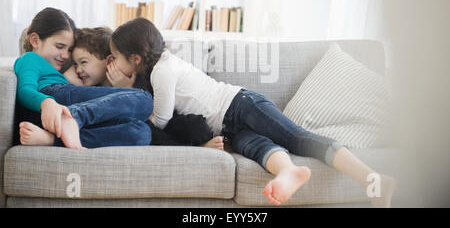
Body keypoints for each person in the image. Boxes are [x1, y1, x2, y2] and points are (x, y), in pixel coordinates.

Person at [109, 17, 397, 207]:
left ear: (134, 58)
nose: (114, 62)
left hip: (241, 105)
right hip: (229, 127)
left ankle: (372, 179)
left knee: (298, 138)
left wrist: (125, 87)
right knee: (258, 147)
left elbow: (161, 119)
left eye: (116, 57)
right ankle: (291, 171)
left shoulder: (163, 71)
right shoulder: (159, 68)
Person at [14, 7, 153, 149]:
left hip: (55, 117)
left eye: (69, 49)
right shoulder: (30, 58)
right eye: (59, 46)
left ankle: (52, 139)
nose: (66, 55)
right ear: (35, 40)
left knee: (141, 132)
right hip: (53, 98)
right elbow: (24, 90)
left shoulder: (62, 69)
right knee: (144, 99)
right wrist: (46, 102)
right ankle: (75, 117)